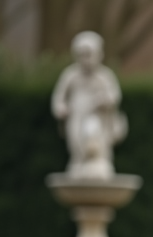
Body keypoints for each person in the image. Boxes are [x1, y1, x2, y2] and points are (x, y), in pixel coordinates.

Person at [51, 31, 128, 179]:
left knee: (98, 143)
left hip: (97, 116)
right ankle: (78, 163)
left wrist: (105, 101)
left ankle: (100, 163)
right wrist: (60, 108)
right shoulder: (70, 75)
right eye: (82, 55)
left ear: (99, 54)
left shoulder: (105, 76)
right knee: (76, 141)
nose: (86, 60)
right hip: (77, 115)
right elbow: (58, 97)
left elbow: (115, 96)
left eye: (89, 54)